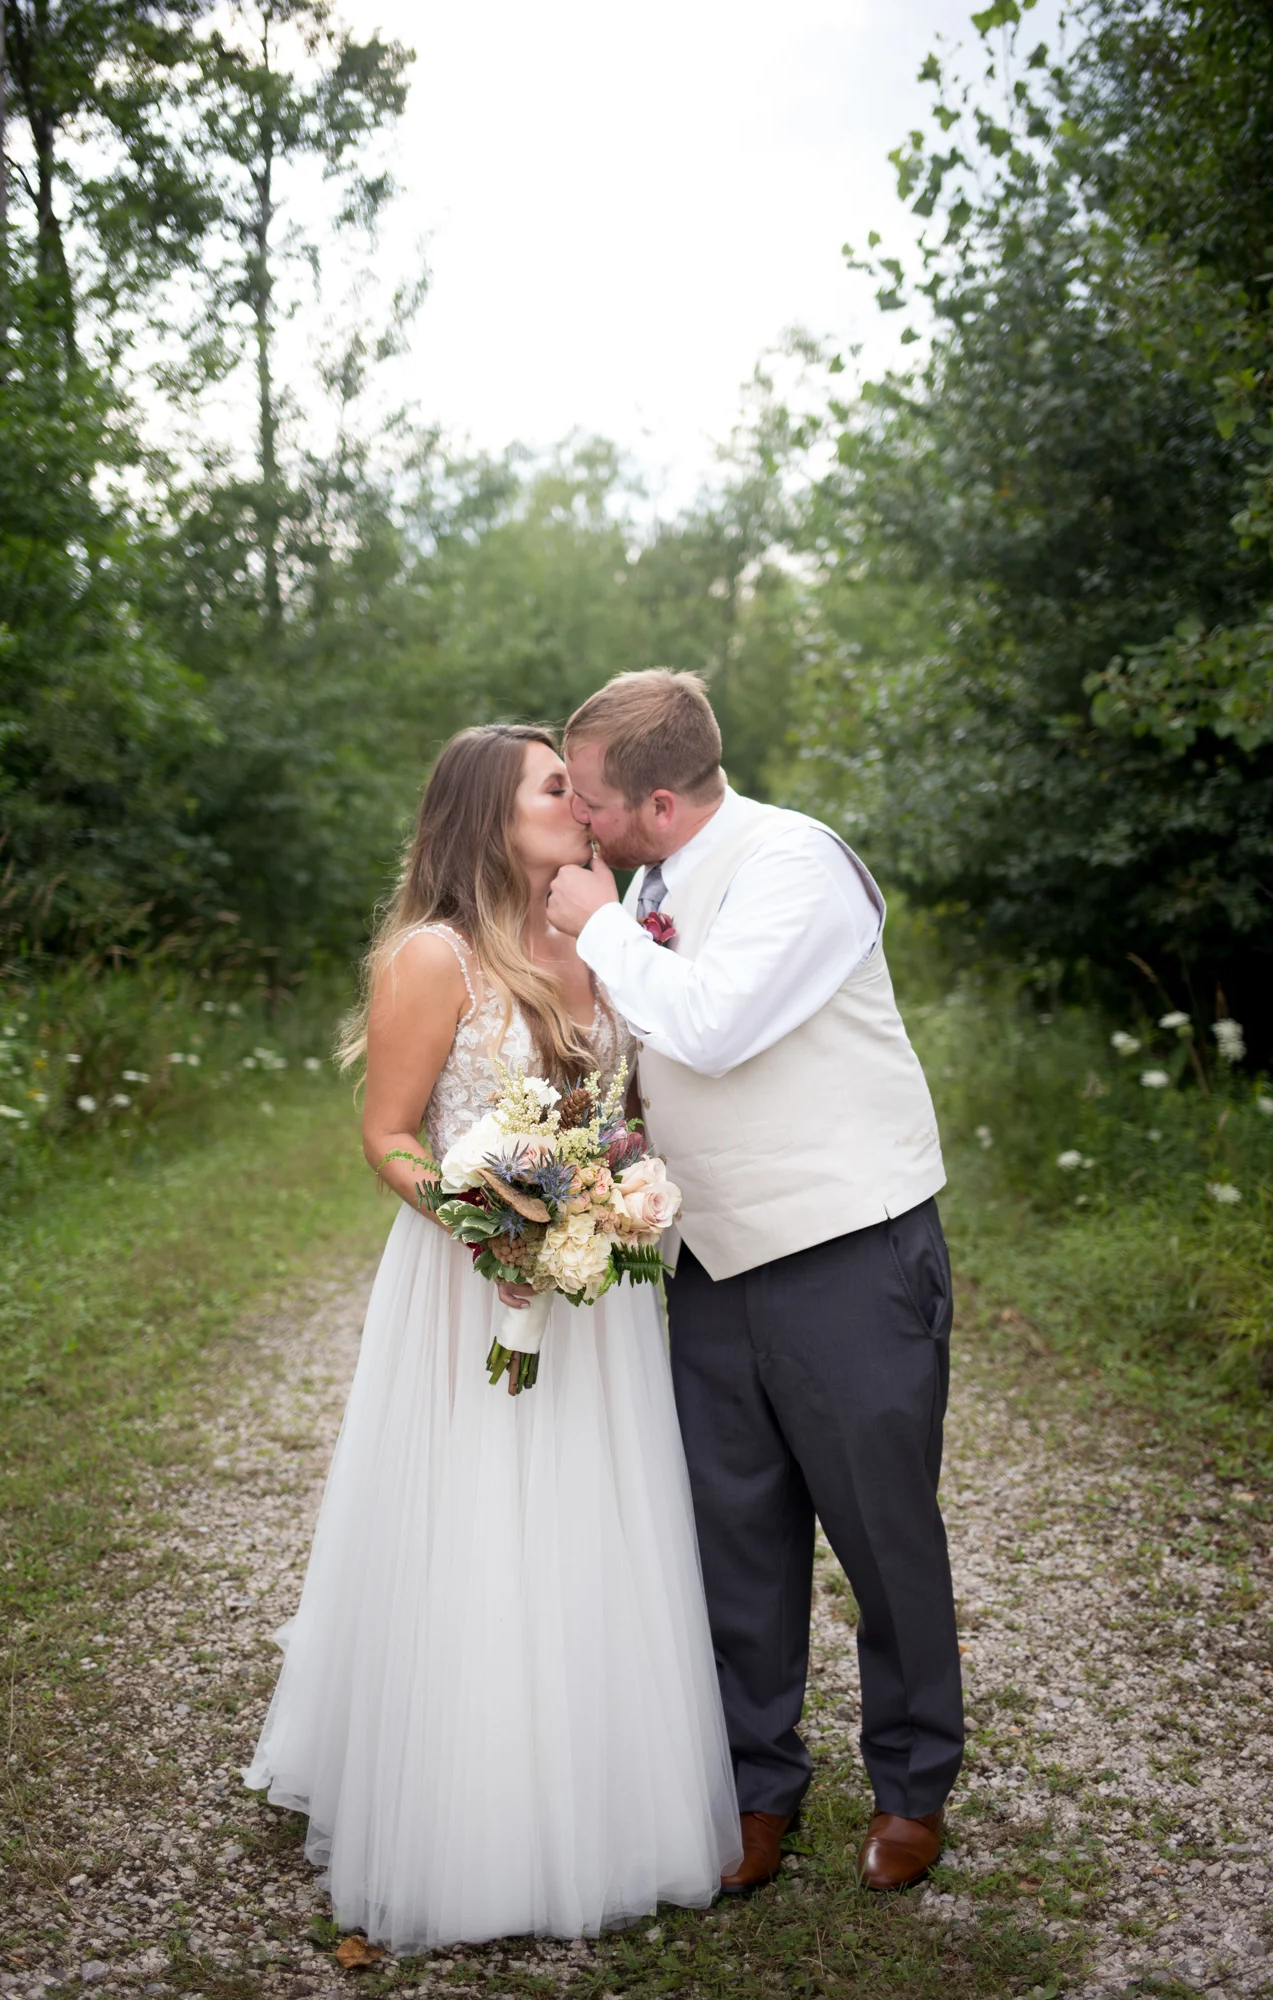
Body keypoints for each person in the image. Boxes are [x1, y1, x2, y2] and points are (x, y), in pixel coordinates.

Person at [244, 723, 740, 1952]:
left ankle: (604, 1785)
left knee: (593, 1507)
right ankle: (467, 1801)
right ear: (488, 813)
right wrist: (492, 1221)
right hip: (475, 1274)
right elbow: (389, 1134)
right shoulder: (435, 956)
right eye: (554, 786)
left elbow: (629, 1108)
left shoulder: (603, 939)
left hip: (598, 1288)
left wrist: (616, 1194)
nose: (582, 802)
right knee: (476, 1513)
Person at [547, 670, 963, 1898]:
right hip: (712, 1258)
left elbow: (715, 1024)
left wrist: (598, 927)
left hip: (848, 1246)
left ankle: (912, 1785)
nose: (578, 819)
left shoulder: (796, 864)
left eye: (591, 799)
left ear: (658, 802)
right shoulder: (641, 883)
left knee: (883, 1532)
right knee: (733, 1535)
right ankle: (754, 1783)